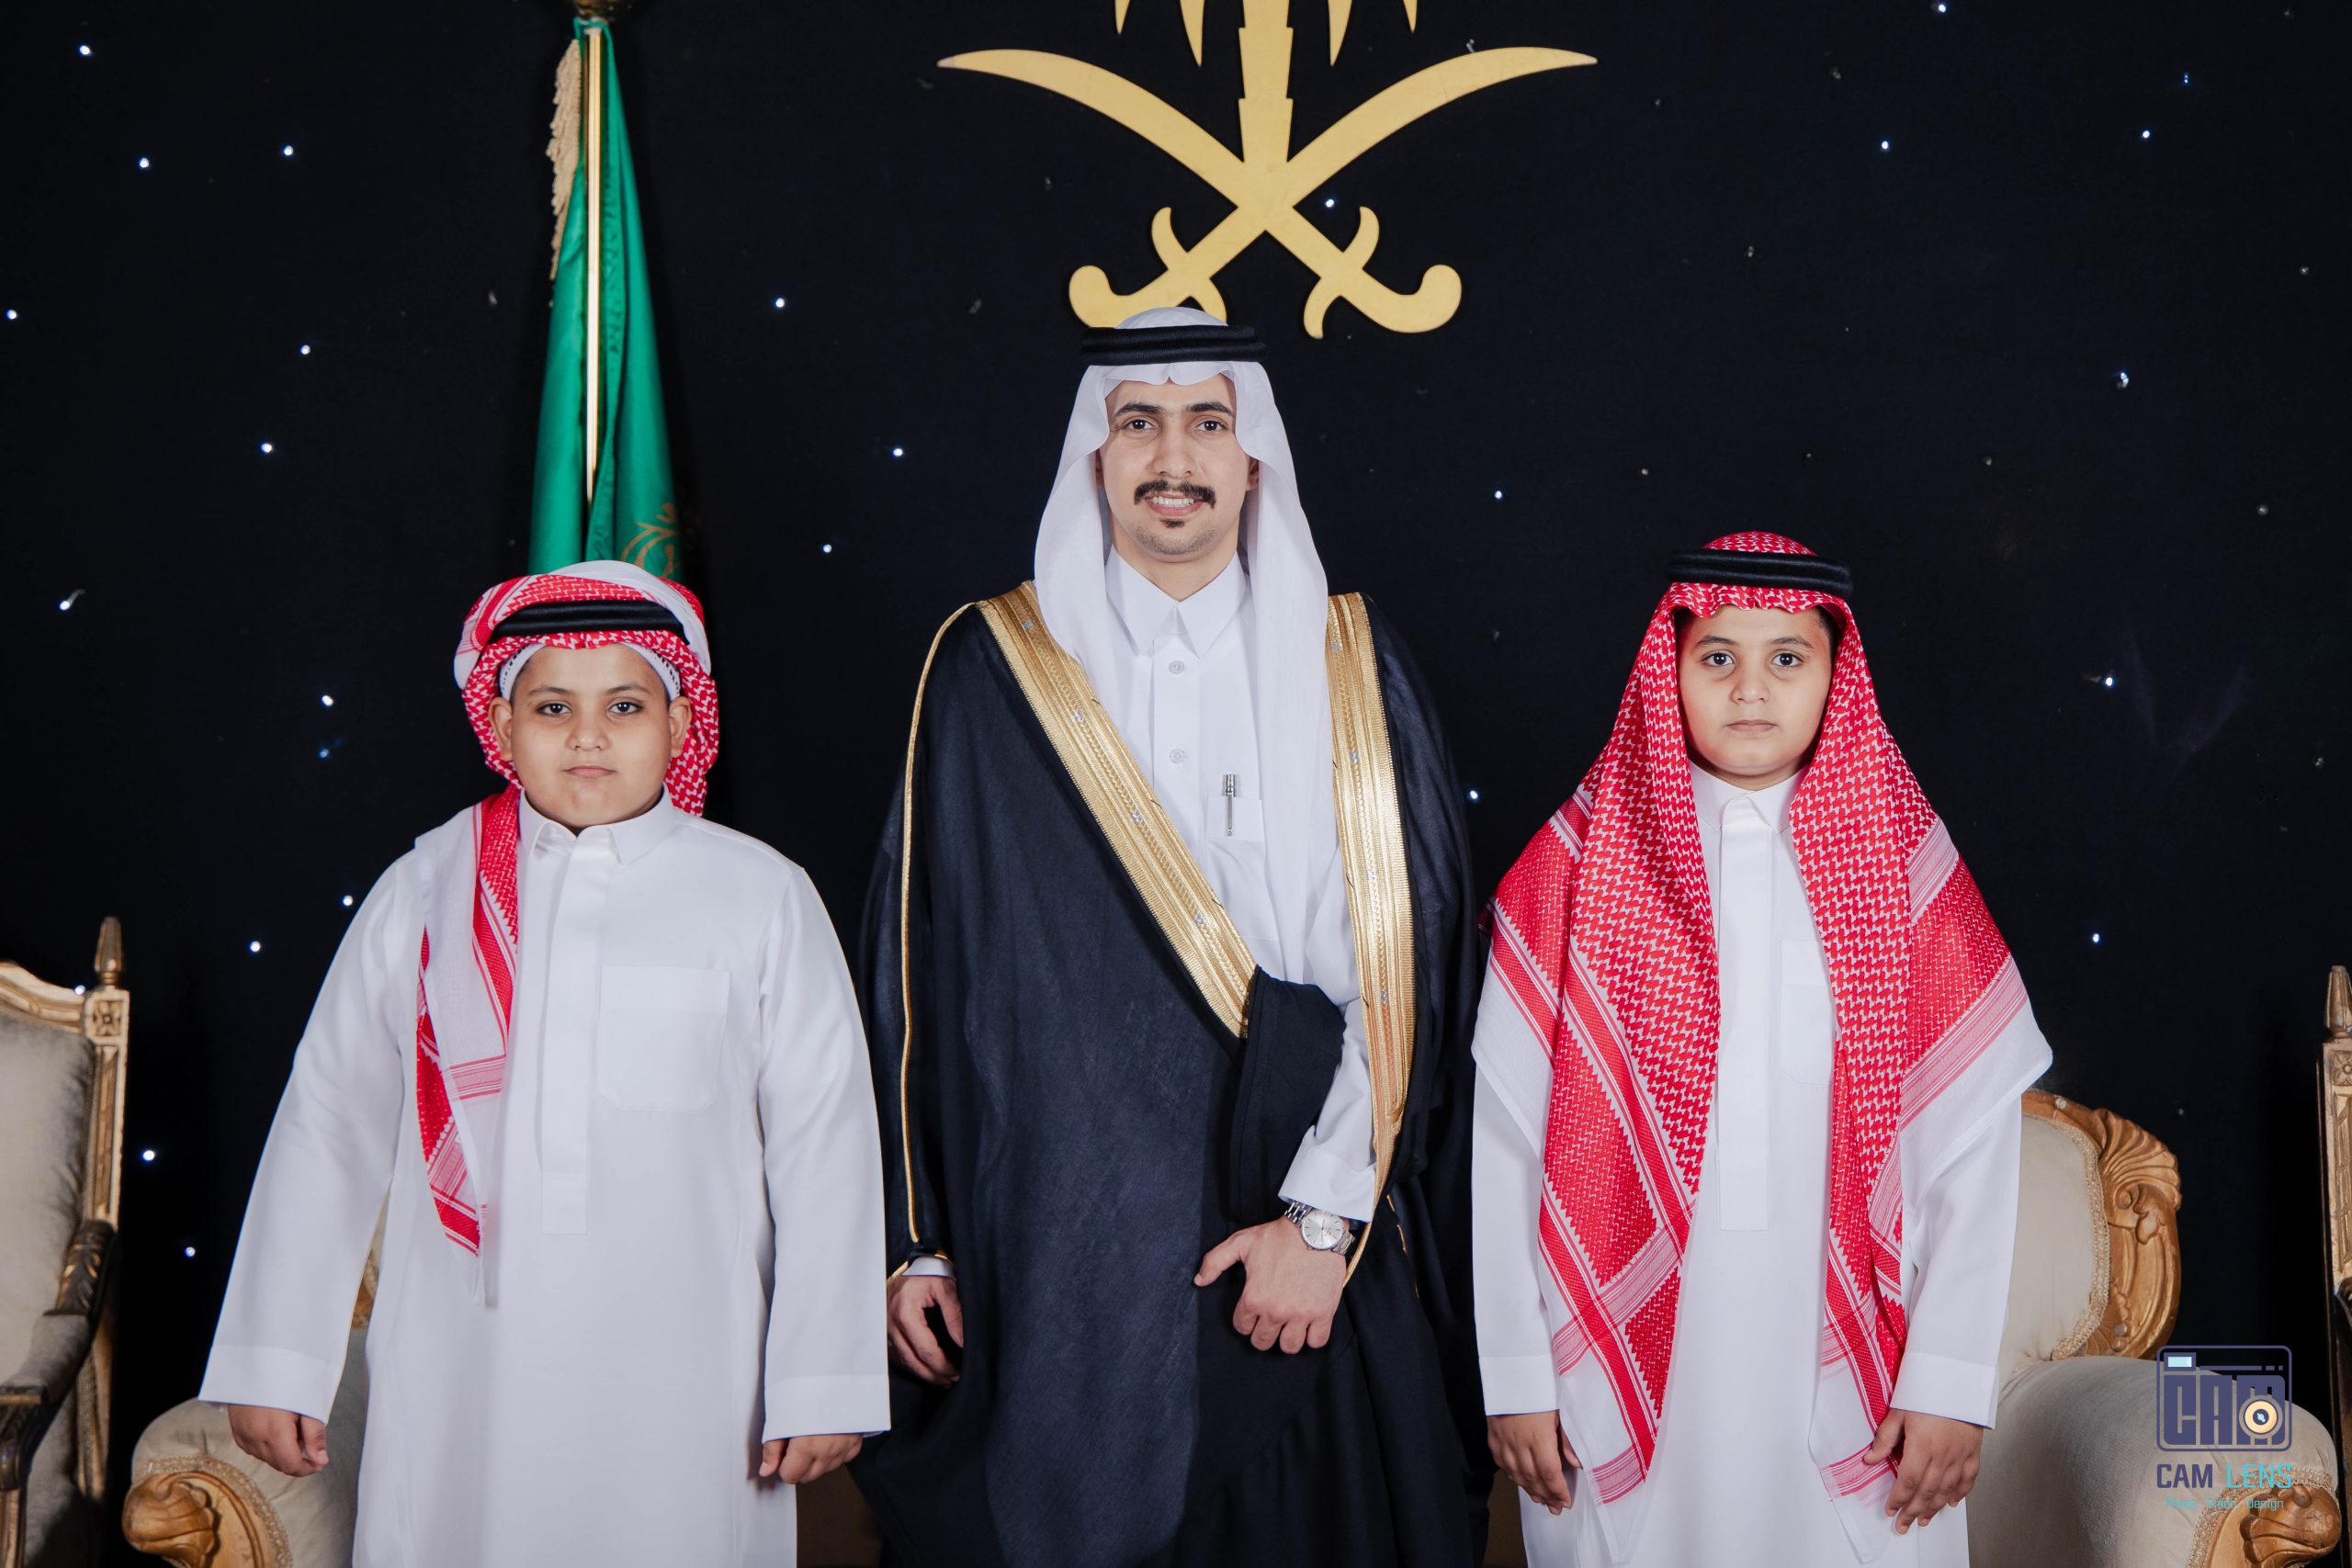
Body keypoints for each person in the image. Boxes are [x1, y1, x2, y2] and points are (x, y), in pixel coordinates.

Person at [851, 309, 1487, 1568]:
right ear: (1094, 455)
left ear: (1257, 460)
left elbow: (1409, 966)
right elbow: (914, 965)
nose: (1174, 456)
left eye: (1209, 421)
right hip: (1058, 1250)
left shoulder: (1350, 662)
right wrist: (914, 1236)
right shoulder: (991, 664)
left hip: (1304, 1245)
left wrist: (1323, 1223)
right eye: (1137, 422)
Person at [198, 560, 887, 1566]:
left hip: (690, 1370)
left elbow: (826, 1145)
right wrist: (275, 1359)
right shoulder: (425, 888)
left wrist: (824, 1377)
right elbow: (329, 1123)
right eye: (552, 706)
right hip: (464, 1362)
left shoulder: (761, 895)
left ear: (680, 723)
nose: (588, 735)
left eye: (625, 705)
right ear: (502, 723)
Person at [1474, 533, 2052, 1566]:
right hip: (1613, 1356)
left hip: (1851, 1368)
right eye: (1717, 657)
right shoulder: (1576, 864)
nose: (1751, 688)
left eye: (1787, 657)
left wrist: (1950, 1379)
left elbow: (1973, 1149)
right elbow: (1509, 1140)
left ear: (1835, 674)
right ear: (1669, 670)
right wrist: (1517, 1371)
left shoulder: (1903, 866)